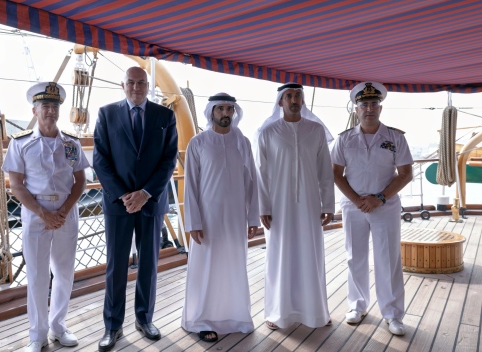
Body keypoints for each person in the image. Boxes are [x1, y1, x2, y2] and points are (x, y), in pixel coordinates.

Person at [93, 66, 178, 351]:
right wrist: (123, 195)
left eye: (141, 83)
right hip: (119, 205)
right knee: (116, 267)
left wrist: (144, 193)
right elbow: (100, 160)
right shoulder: (107, 114)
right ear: (123, 84)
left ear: (147, 85)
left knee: (149, 266)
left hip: (150, 203)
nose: (136, 87)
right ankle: (112, 326)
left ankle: (145, 319)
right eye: (131, 82)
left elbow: (169, 160)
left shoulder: (165, 116)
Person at [2, 82, 90, 352]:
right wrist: (43, 213)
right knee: (38, 276)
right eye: (45, 106)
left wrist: (62, 212)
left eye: (54, 106)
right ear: (35, 110)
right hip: (36, 214)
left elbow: (80, 181)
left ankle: (58, 326)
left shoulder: (71, 145)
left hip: (66, 214)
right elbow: (16, 186)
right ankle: (37, 334)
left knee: (64, 274)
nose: (50, 111)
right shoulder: (20, 144)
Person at [331, 81, 413, 336]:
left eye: (374, 104)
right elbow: (335, 173)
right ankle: (357, 306)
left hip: (384, 207)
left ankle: (392, 314)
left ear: (380, 107)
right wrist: (357, 200)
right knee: (354, 256)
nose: (369, 108)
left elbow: (406, 173)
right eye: (364, 104)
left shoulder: (395, 138)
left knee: (387, 260)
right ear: (356, 109)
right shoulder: (344, 140)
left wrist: (379, 198)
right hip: (353, 207)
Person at [181, 93, 259, 342]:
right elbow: (190, 185)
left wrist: (253, 218)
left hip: (236, 218)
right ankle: (201, 319)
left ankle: (236, 317)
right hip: (208, 219)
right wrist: (193, 222)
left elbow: (252, 182)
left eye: (229, 109)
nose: (225, 113)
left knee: (233, 266)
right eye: (220, 109)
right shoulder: (198, 142)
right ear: (211, 112)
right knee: (206, 269)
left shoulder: (242, 142)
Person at [256, 82, 335, 330]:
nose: (293, 100)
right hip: (278, 207)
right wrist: (263, 207)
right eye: (288, 96)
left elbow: (325, 171)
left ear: (302, 100)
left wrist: (328, 204)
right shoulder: (267, 132)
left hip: (311, 204)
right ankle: (278, 313)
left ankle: (315, 312)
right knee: (279, 257)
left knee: (310, 255)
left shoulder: (316, 131)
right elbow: (261, 173)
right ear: (280, 101)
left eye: (297, 95)